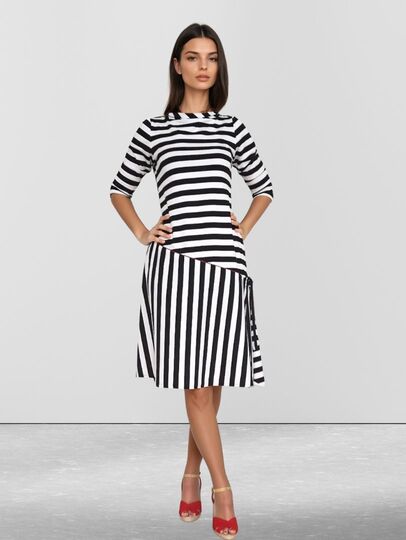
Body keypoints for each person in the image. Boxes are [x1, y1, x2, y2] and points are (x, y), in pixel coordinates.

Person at [109, 22, 273, 539]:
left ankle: (189, 476)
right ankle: (224, 490)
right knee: (197, 387)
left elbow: (264, 188)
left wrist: (242, 229)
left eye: (212, 57)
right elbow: (119, 189)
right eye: (193, 57)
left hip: (225, 269)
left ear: (219, 67)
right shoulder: (153, 130)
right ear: (177, 66)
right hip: (176, 269)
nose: (204, 66)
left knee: (211, 386)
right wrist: (143, 232)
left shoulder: (232, 129)